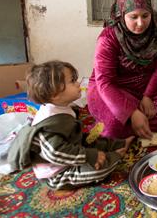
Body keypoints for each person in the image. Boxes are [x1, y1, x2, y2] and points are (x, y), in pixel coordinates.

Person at [8, 61, 134, 190]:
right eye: (72, 81)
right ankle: (117, 155)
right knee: (99, 169)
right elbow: (55, 153)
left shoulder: (61, 108)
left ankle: (119, 144)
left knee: (91, 140)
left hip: (70, 151)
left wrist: (92, 150)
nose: (78, 83)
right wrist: (90, 156)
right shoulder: (51, 122)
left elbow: (75, 137)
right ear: (55, 94)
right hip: (58, 173)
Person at [87, 0, 157, 140]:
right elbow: (105, 82)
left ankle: (129, 131)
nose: (140, 23)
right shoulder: (108, 38)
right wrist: (131, 112)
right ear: (122, 14)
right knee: (114, 125)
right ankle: (127, 128)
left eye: (145, 16)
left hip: (144, 86)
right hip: (111, 89)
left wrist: (148, 96)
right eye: (133, 17)